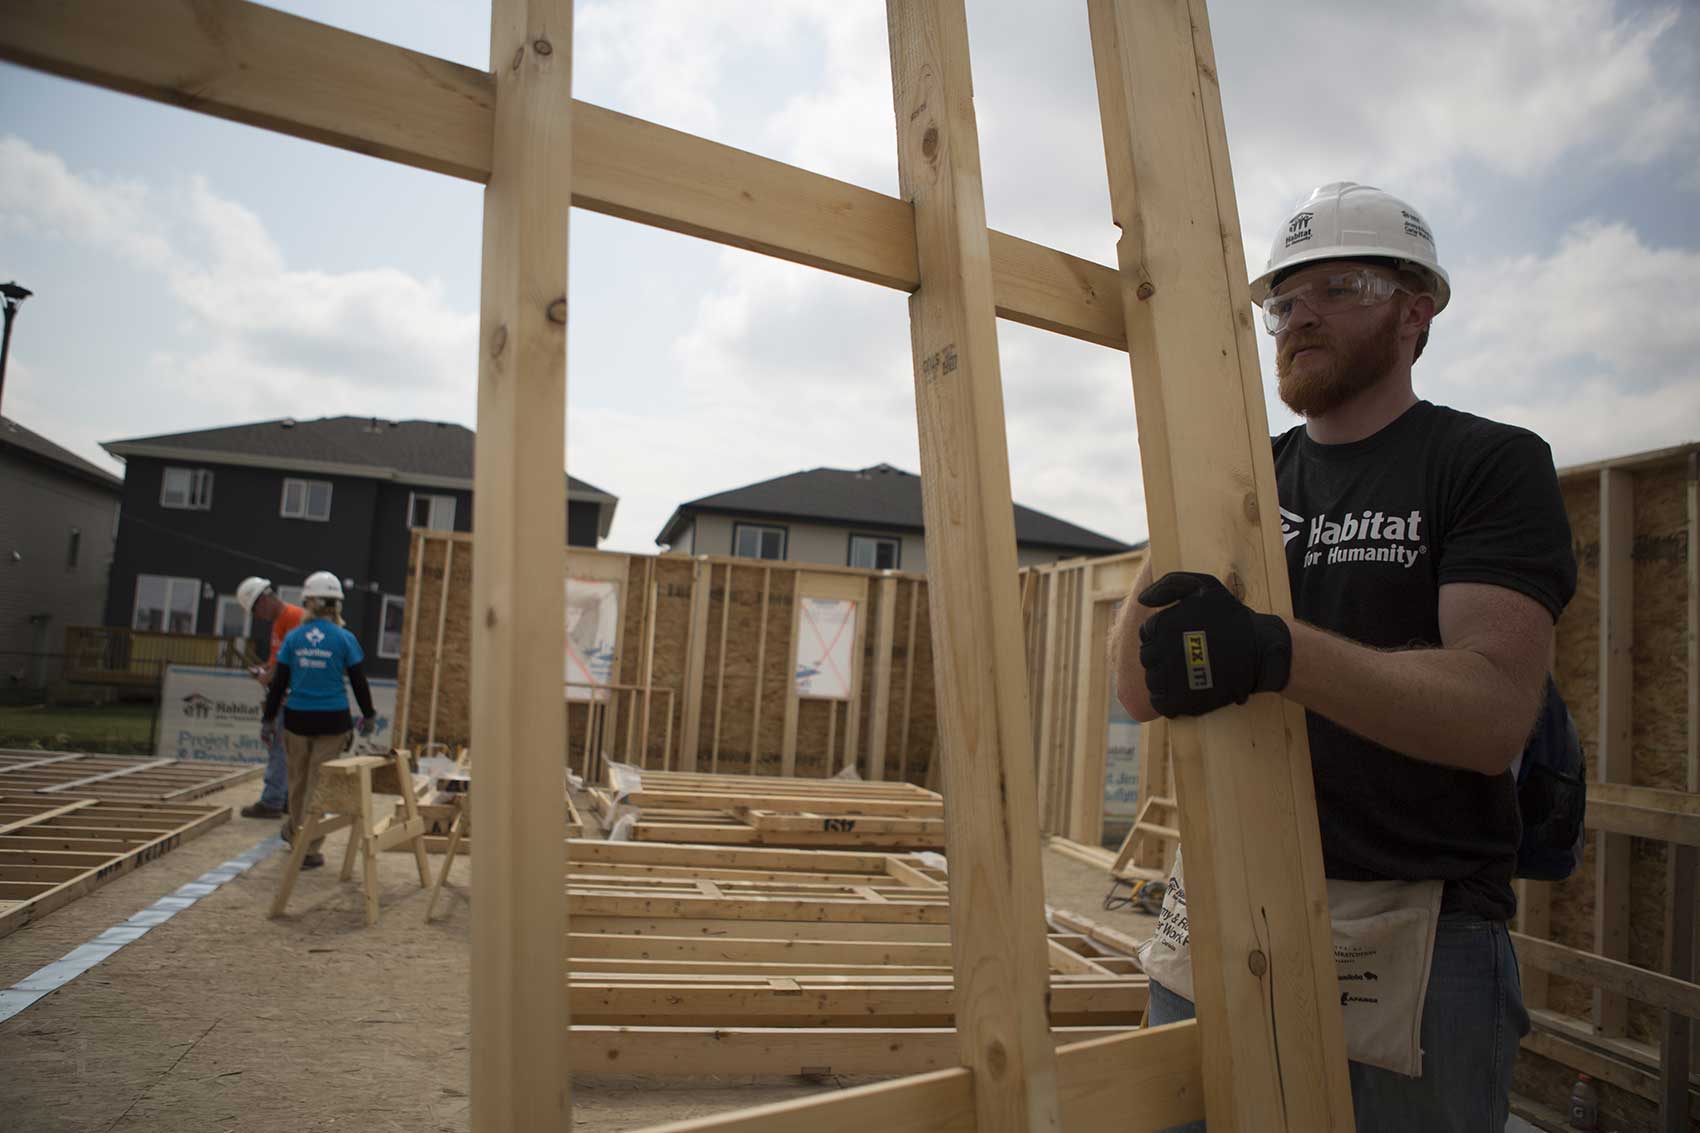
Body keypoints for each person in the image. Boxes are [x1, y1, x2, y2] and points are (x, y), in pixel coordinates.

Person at [1111, 182, 1576, 1132]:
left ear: (1416, 309)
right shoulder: (1241, 474)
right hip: (1220, 909)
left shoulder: (1485, 463)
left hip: (1413, 933)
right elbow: (1137, 688)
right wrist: (1184, 489)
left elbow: (1491, 711)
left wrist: (1277, 651)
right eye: (1285, 300)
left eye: (1337, 288)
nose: (1298, 317)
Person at [260, 571, 377, 871]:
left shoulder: (295, 638)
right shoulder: (344, 638)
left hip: (297, 720)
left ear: (308, 602)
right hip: (333, 722)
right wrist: (369, 714)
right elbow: (358, 681)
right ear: (337, 604)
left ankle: (298, 834)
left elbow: (279, 682)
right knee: (318, 783)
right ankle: (308, 847)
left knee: (297, 782)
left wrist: (268, 719)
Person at [236, 575, 305, 819]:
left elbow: (294, 657)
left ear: (264, 599)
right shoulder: (279, 623)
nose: (258, 616)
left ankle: (273, 801)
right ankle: (285, 798)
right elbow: (278, 660)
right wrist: (265, 669)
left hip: (293, 696)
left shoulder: (294, 617)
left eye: (256, 610)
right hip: (287, 695)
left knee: (280, 748)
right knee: (286, 750)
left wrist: (270, 675)